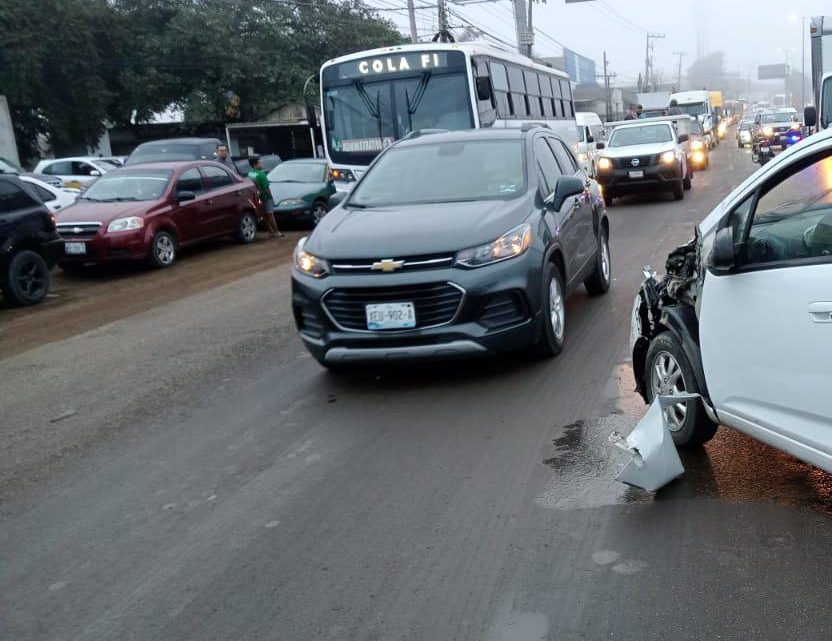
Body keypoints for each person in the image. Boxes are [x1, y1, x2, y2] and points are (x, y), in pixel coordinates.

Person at [247, 155, 281, 238]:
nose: (261, 164)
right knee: (270, 215)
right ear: (255, 165)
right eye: (259, 163)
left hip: (257, 198)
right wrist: (271, 197)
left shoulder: (250, 173)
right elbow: (266, 188)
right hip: (265, 197)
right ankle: (276, 232)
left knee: (264, 215)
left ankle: (270, 232)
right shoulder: (261, 174)